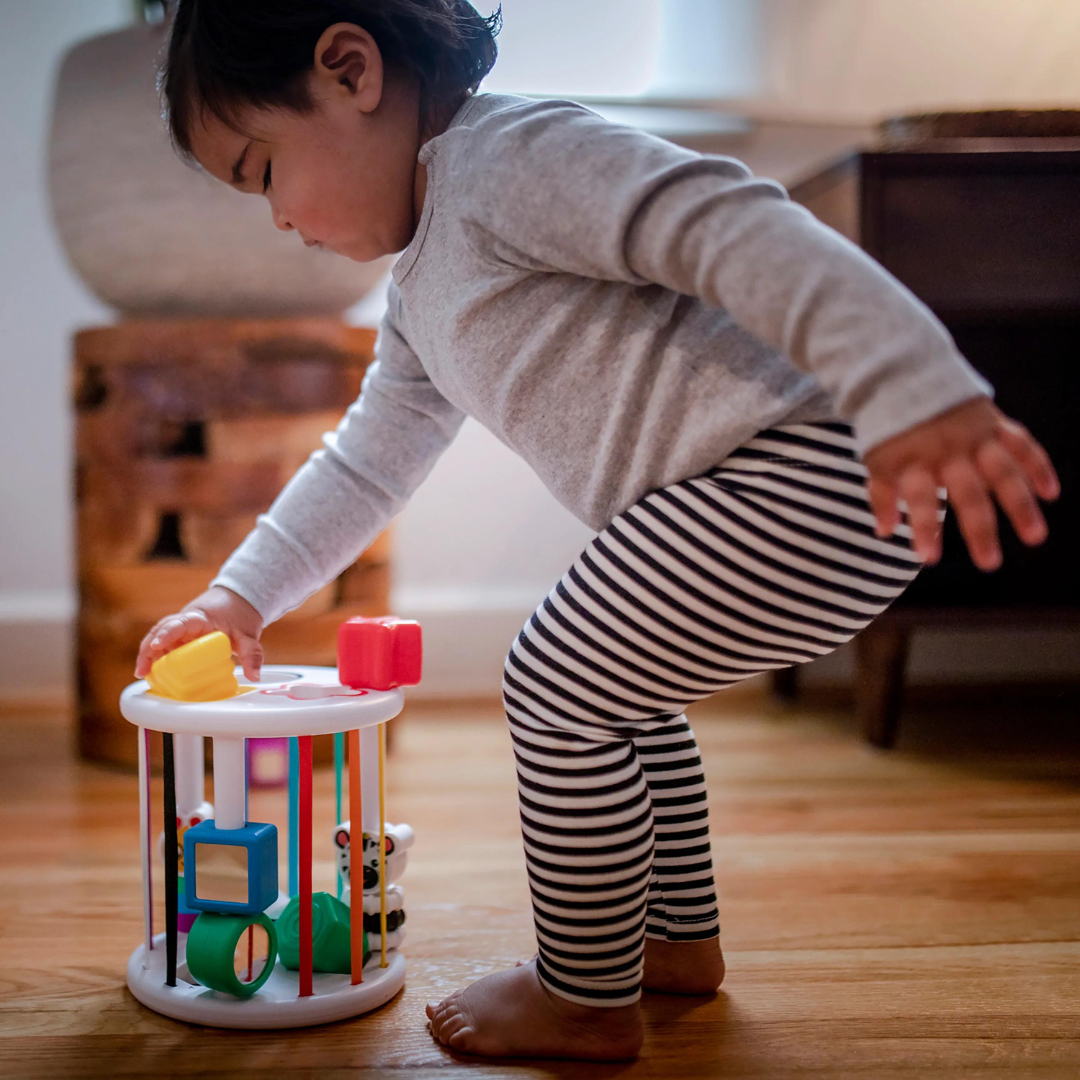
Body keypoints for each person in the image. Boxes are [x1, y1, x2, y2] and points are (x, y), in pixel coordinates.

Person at [135, 0, 1060, 1061]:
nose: (281, 220)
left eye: (262, 172)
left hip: (802, 468)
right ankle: (673, 940)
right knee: (620, 693)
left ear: (350, 71)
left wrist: (910, 386)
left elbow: (727, 221)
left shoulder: (504, 159)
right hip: (750, 491)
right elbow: (367, 459)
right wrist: (239, 596)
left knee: (555, 681)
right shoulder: (418, 292)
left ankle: (583, 994)